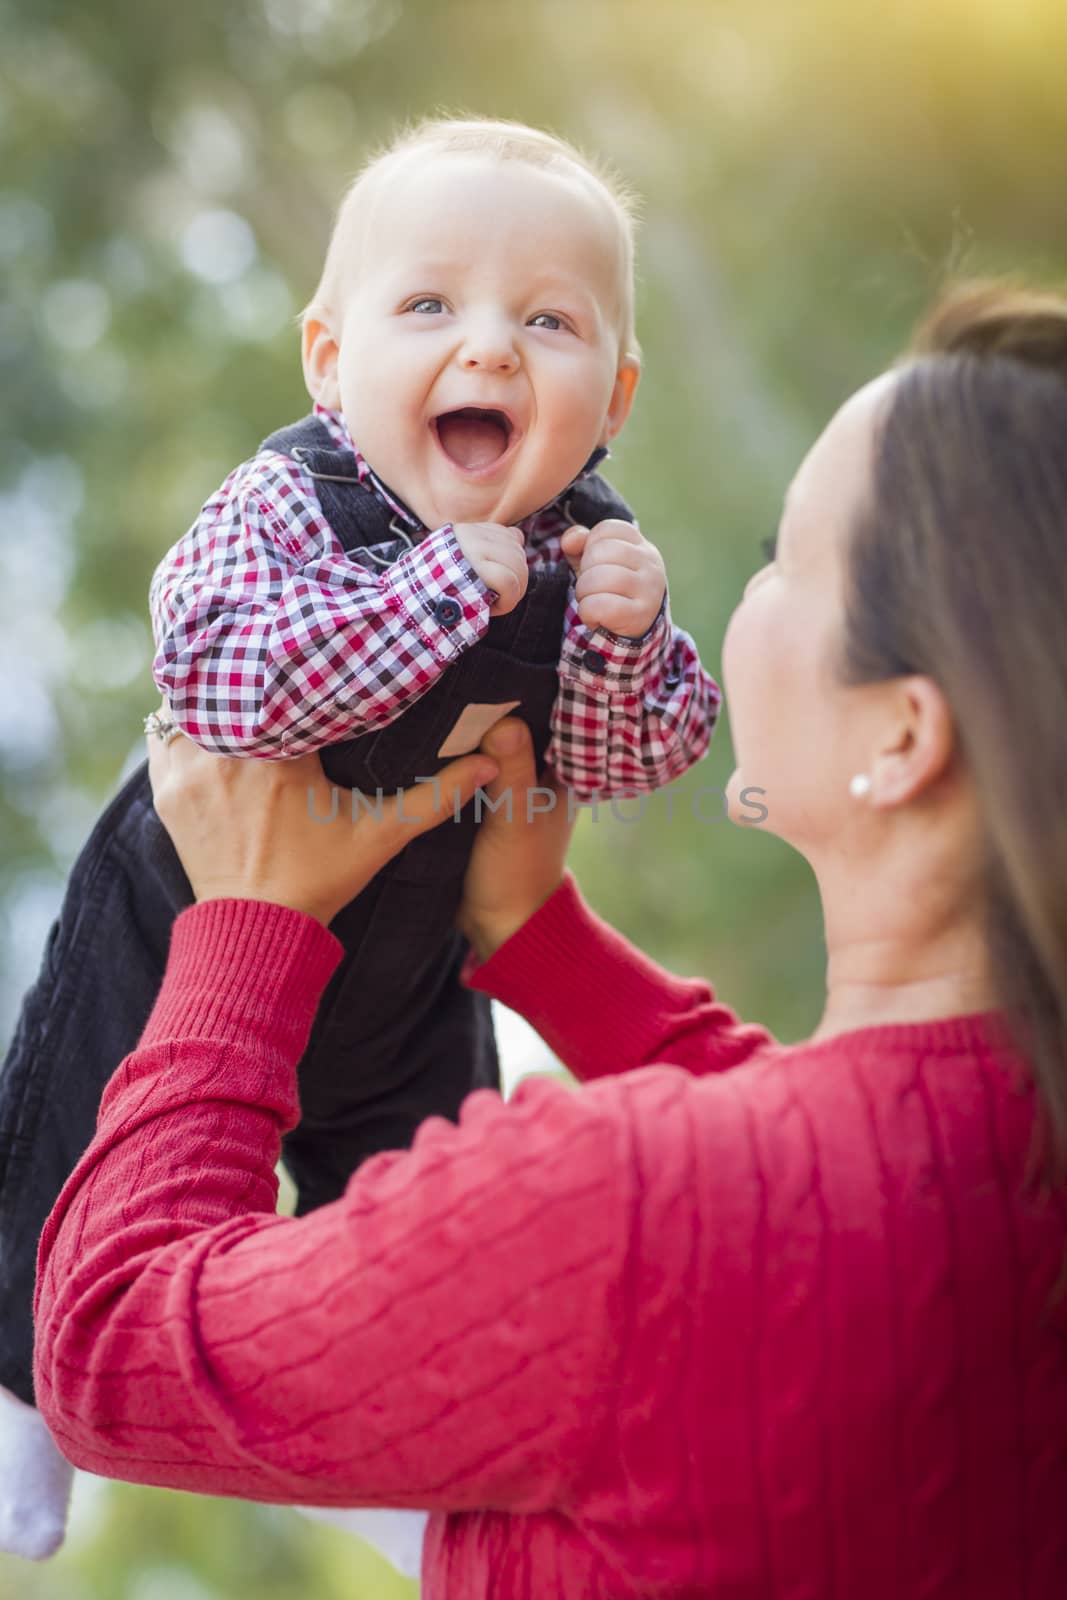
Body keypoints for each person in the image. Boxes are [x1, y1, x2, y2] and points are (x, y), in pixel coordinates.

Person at [34, 280, 1067, 1595]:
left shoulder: (612, 1216)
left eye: (777, 559)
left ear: (903, 737)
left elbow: (111, 1350)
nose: (739, 602)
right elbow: (835, 1177)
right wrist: (533, 934)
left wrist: (246, 925)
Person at [0, 113, 720, 1485]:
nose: (492, 345)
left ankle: (404, 1467)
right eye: (432, 303)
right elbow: (219, 679)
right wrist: (446, 585)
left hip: (418, 953)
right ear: (332, 361)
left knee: (435, 1194)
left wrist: (632, 651)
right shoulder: (281, 502)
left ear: (614, 400)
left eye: (550, 322)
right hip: (188, 926)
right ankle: (18, 1403)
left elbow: (622, 761)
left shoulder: (593, 546)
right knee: (65, 1129)